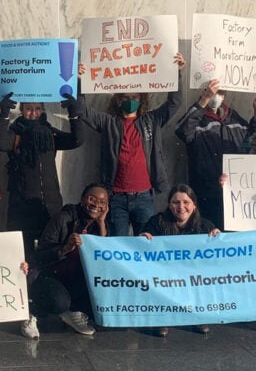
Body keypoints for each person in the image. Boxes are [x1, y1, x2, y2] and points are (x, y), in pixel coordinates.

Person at [76, 52, 186, 236]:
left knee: (146, 242)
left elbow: (175, 102)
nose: (130, 101)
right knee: (119, 245)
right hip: (116, 197)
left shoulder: (152, 120)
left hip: (144, 196)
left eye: (135, 97)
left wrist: (177, 72)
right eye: (125, 98)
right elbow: (82, 110)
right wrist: (79, 81)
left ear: (141, 99)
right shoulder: (108, 122)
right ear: (118, 100)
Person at [0, 94, 82, 258]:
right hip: (22, 205)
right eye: (28, 109)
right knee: (21, 252)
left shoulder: (49, 133)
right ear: (21, 110)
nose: (33, 113)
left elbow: (76, 140)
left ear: (43, 110)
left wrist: (74, 113)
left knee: (51, 248)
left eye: (37, 109)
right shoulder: (16, 133)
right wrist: (4, 114)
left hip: (50, 203)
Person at [176, 79, 256, 230]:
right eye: (212, 92)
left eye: (220, 92)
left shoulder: (233, 118)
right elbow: (182, 131)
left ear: (225, 95)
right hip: (206, 193)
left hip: (234, 192)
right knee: (208, 235)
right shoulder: (198, 118)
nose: (216, 96)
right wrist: (204, 100)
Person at [29, 184, 110, 336]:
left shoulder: (102, 224)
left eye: (102, 202)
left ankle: (73, 312)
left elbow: (106, 256)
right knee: (59, 302)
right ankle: (32, 313)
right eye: (92, 199)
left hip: (77, 277)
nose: (96, 205)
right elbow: (40, 255)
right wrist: (65, 248)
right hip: (52, 275)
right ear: (82, 199)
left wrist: (101, 223)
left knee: (103, 294)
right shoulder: (63, 218)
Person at [140, 184, 220, 337]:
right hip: (165, 275)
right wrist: (143, 239)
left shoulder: (205, 226)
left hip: (193, 276)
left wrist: (219, 239)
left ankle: (198, 314)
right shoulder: (157, 222)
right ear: (169, 205)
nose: (181, 206)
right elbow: (141, 251)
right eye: (176, 202)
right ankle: (161, 318)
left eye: (186, 202)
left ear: (194, 206)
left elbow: (216, 259)